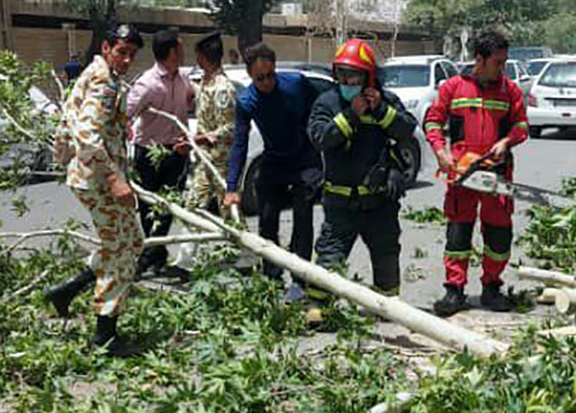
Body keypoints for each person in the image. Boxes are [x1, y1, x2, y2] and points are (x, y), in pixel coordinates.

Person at [44, 23, 145, 354]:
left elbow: (67, 122)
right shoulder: (103, 80)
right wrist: (115, 179)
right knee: (121, 252)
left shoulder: (98, 73)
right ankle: (105, 336)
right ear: (106, 48)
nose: (127, 60)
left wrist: (65, 159)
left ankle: (68, 290)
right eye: (121, 52)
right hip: (100, 179)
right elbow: (87, 133)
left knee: (131, 241)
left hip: (90, 175)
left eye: (131, 54)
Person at [424, 30, 530, 315]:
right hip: (462, 174)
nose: (502, 68)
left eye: (504, 62)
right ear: (479, 60)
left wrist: (507, 141)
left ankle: (491, 288)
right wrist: (440, 152)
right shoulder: (452, 88)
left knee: (498, 235)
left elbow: (522, 126)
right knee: (458, 233)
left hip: (497, 175)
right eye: (498, 62)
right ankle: (454, 291)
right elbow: (433, 122)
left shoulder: (510, 90)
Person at [307, 38, 416, 296]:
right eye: (342, 75)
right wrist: (351, 115)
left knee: (387, 257)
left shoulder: (386, 101)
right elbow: (320, 138)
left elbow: (406, 129)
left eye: (353, 77)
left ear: (367, 77)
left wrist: (379, 110)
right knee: (329, 261)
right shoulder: (327, 103)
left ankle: (387, 307)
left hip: (379, 203)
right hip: (340, 206)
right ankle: (319, 310)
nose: (346, 83)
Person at [223, 43, 322, 302]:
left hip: (304, 159)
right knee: (267, 219)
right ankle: (271, 276)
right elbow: (239, 144)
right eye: (260, 78)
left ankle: (300, 279)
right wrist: (232, 188)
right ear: (250, 76)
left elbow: (320, 108)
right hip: (274, 161)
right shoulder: (246, 101)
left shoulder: (297, 84)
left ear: (275, 69)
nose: (266, 82)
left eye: (270, 75)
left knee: (303, 218)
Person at [127, 27, 195, 277]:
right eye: (181, 46)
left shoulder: (183, 78)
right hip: (149, 152)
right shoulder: (147, 84)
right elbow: (125, 114)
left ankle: (151, 256)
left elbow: (190, 99)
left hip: (175, 153)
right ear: (172, 51)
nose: (185, 50)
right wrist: (125, 130)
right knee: (148, 208)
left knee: (168, 207)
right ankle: (153, 256)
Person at [185, 32, 234, 213]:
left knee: (230, 215)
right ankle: (189, 242)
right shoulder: (205, 83)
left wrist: (199, 138)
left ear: (202, 57)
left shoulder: (222, 88)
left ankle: (238, 242)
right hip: (204, 160)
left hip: (222, 164)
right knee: (193, 210)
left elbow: (229, 127)